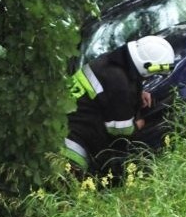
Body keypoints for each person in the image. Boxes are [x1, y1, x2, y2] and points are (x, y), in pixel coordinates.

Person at [64, 35, 175, 179]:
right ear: (146, 65)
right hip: (72, 143)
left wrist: (138, 93)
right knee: (70, 186)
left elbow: (109, 89)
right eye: (153, 73)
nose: (150, 78)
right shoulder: (119, 83)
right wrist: (138, 125)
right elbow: (119, 130)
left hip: (64, 124)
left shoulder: (113, 62)